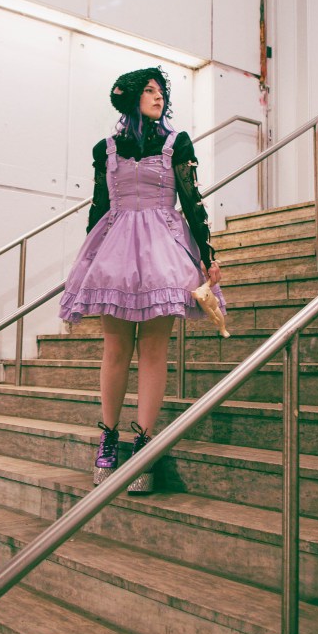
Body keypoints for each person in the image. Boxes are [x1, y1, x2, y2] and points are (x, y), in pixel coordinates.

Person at [59, 66, 224, 493]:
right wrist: (87, 261)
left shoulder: (176, 142)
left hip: (163, 249)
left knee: (153, 350)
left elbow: (191, 199)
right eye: (149, 91)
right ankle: (108, 437)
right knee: (116, 349)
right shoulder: (106, 148)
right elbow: (99, 205)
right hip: (115, 250)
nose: (158, 97)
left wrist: (208, 256)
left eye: (161, 91)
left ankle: (145, 443)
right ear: (131, 97)